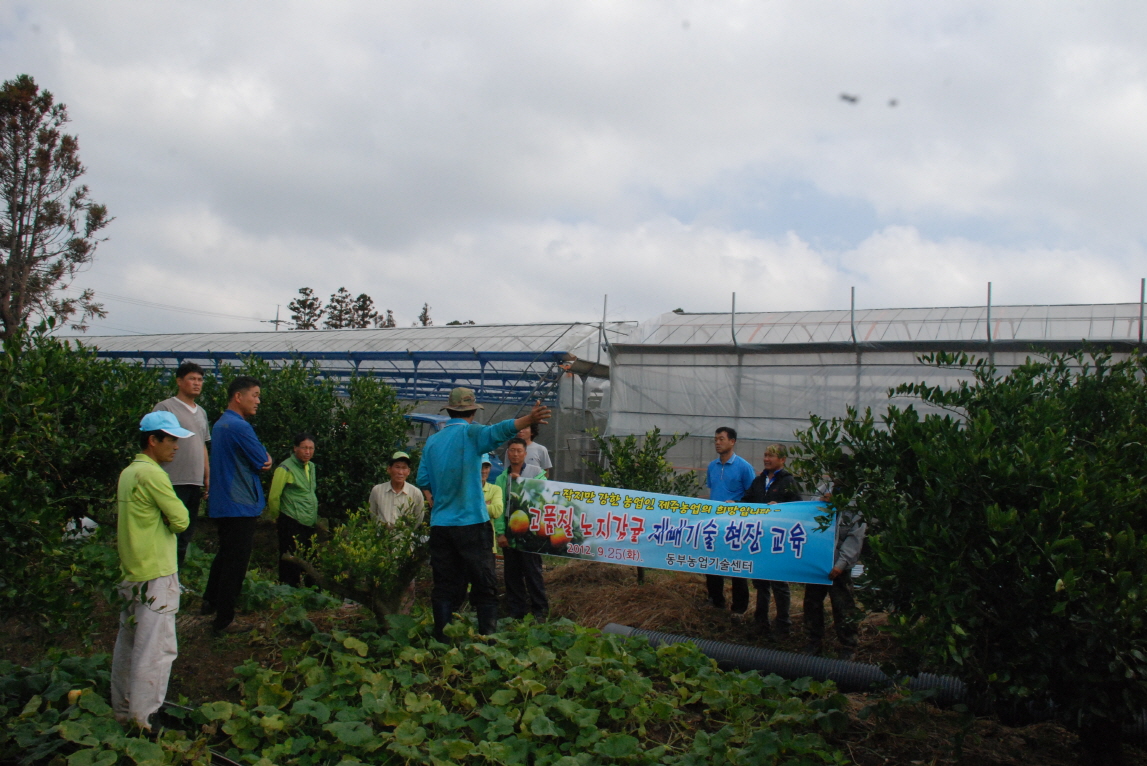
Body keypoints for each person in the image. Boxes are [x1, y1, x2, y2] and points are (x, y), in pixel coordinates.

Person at [415, 387, 551, 640]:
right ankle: (487, 638)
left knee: (444, 585)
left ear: (451, 410)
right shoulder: (471, 433)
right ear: (472, 412)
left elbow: (423, 479)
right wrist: (528, 420)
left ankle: (442, 638)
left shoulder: (433, 441)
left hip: (441, 525)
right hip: (471, 523)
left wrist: (438, 500)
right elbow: (498, 431)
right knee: (484, 581)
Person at [110, 411, 193, 729]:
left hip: (131, 571)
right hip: (157, 574)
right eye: (170, 439)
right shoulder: (154, 475)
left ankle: (122, 708)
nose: (175, 446)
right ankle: (144, 720)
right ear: (152, 440)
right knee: (155, 650)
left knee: (129, 643)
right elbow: (182, 520)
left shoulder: (129, 473)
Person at [202, 376, 272, 634]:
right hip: (240, 504)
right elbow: (260, 460)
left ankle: (210, 601)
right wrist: (268, 457)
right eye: (254, 395)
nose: (258, 400)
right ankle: (224, 619)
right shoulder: (239, 426)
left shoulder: (221, 424)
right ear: (238, 397)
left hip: (224, 503)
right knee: (236, 562)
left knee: (224, 555)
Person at [152, 362, 210, 571]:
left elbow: (202, 444)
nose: (197, 383)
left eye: (200, 380)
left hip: (193, 481)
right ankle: (159, 577)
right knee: (167, 531)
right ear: (179, 381)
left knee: (185, 533)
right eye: (192, 379)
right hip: (171, 480)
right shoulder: (166, 407)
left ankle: (175, 577)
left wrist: (206, 475)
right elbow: (154, 441)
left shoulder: (201, 412)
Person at [803, 481, 867, 660]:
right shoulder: (824, 489)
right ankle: (814, 641)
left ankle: (848, 645)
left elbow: (855, 536)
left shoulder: (857, 503)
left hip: (839, 565)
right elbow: (806, 511)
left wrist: (841, 564)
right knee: (812, 603)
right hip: (817, 561)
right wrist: (822, 502)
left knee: (843, 606)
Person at [743, 444, 801, 637]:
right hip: (760, 538)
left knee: (779, 583)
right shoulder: (759, 481)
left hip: (779, 540)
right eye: (765, 454)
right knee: (760, 582)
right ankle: (761, 623)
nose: (766, 459)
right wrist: (735, 506)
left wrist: (782, 506)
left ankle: (783, 625)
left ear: (782, 460)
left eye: (771, 456)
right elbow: (748, 501)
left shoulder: (788, 481)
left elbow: (798, 508)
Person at [704, 426, 756, 614]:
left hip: (736, 525)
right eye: (716, 439)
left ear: (732, 441)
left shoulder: (744, 467)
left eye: (721, 439)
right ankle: (716, 600)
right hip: (715, 523)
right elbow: (713, 490)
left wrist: (737, 503)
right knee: (712, 562)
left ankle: (739, 608)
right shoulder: (712, 466)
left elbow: (752, 495)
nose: (717, 443)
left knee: (736, 566)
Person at [495, 437, 548, 620]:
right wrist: (501, 532)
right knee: (512, 573)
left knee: (533, 571)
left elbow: (543, 493)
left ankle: (540, 610)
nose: (515, 454)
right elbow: (499, 506)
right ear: (507, 453)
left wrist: (522, 484)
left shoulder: (536, 472)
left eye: (519, 451)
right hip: (511, 532)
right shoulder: (502, 478)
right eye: (512, 451)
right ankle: (516, 611)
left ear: (525, 453)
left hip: (531, 532)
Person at [267, 433, 318, 587]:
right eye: (304, 448)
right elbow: (274, 497)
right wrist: (277, 517)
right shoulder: (285, 468)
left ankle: (312, 591)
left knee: (310, 556)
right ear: (295, 448)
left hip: (309, 519)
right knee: (290, 558)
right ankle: (289, 590)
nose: (307, 452)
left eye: (311, 448)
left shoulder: (311, 467)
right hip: (290, 518)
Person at [368, 451, 425, 525]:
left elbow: (418, 518)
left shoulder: (416, 493)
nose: (400, 472)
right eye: (397, 467)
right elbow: (372, 514)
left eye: (404, 468)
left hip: (405, 536)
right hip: (381, 535)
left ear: (408, 471)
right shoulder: (377, 490)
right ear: (389, 469)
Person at [481, 454, 504, 554]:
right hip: (466, 546)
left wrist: (473, 506)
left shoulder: (495, 489)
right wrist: (486, 505)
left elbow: (497, 511)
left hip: (488, 545)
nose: (483, 471)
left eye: (486, 467)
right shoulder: (464, 489)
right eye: (480, 467)